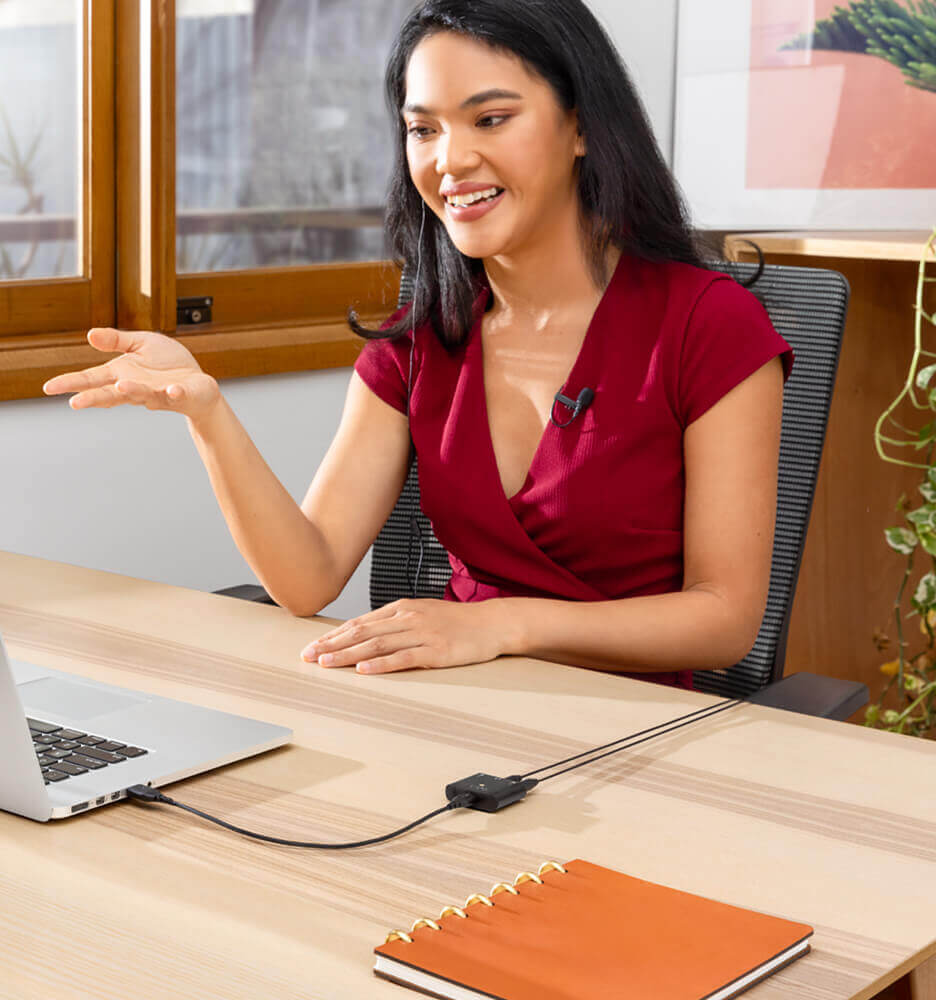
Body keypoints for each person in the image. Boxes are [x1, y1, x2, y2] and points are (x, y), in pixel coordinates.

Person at [43, 0, 791, 690]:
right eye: (423, 128)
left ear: (581, 126)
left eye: (490, 119)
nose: (449, 160)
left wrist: (501, 625)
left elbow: (724, 618)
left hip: (634, 732)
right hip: (451, 710)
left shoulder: (708, 325)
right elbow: (306, 579)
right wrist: (206, 413)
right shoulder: (418, 345)